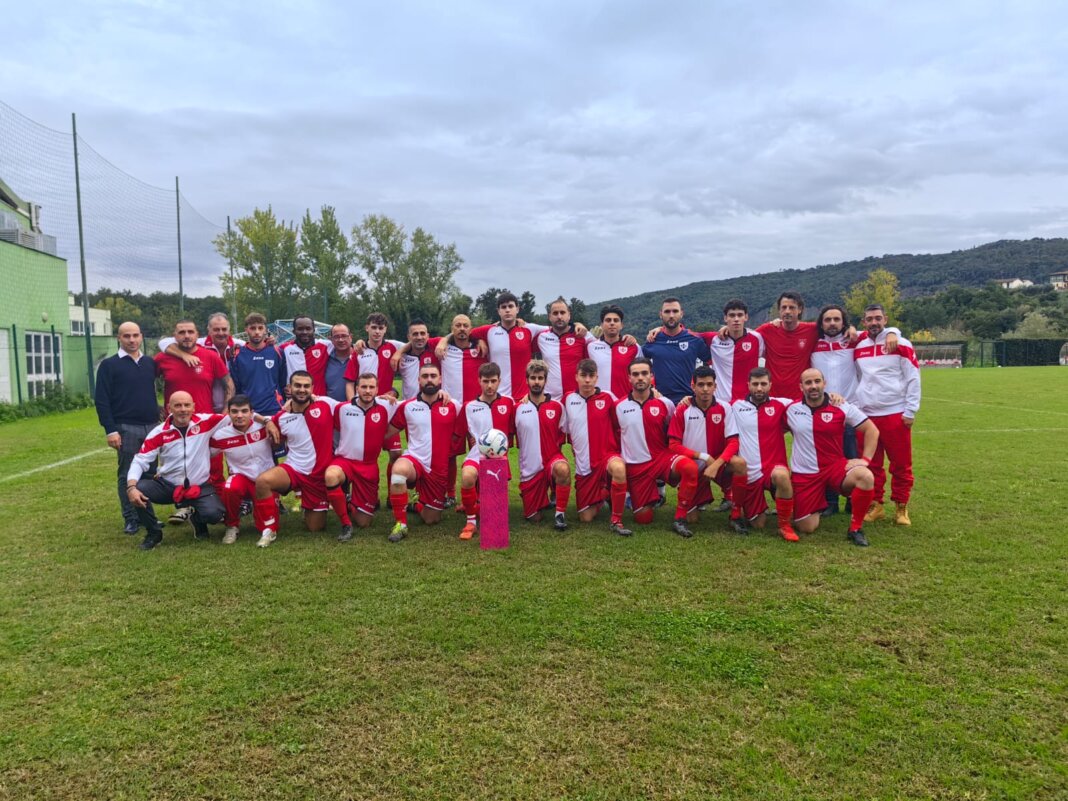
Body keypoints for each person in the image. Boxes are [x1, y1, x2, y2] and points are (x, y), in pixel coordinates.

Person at [785, 368, 880, 546]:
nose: (813, 386)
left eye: (817, 381)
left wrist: (865, 460)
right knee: (806, 527)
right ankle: (817, 505)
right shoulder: (790, 409)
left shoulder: (841, 406)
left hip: (835, 467)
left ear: (824, 384)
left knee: (865, 477)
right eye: (808, 383)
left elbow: (871, 430)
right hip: (805, 474)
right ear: (801, 387)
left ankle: (855, 528)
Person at [125, 391, 228, 550]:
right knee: (138, 490)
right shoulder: (159, 432)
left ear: (193, 407)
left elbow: (236, 415)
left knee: (215, 514)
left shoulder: (206, 422)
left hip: (199, 486)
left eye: (187, 405)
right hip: (168, 486)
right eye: (178, 405)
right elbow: (140, 460)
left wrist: (266, 421)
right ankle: (154, 533)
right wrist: (131, 486)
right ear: (169, 408)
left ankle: (197, 518)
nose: (183, 409)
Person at [614, 358, 704, 537]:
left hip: (661, 457)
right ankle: (649, 495)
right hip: (637, 466)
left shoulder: (665, 404)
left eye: (644, 373)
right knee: (644, 518)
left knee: (689, 467)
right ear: (629, 378)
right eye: (636, 374)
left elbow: (675, 428)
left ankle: (680, 518)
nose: (640, 378)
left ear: (651, 376)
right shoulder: (618, 406)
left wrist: (688, 399)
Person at [252, 371, 340, 548]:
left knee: (315, 527)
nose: (302, 389)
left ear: (312, 389)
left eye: (306, 386)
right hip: (293, 469)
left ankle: (310, 504)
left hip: (317, 476)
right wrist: (267, 421)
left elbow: (352, 407)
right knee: (263, 481)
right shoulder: (282, 417)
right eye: (297, 385)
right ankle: (269, 529)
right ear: (289, 388)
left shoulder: (326, 404)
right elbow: (249, 415)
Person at [854, 304, 921, 526]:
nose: (874, 322)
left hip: (895, 412)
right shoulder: (859, 345)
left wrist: (910, 410)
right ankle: (876, 504)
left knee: (901, 464)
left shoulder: (900, 343)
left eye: (878, 318)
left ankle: (902, 507)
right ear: (864, 322)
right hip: (867, 415)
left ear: (886, 319)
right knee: (872, 464)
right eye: (869, 319)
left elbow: (913, 376)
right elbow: (857, 378)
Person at [94, 321, 161, 535]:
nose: (131, 340)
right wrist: (110, 430)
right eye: (126, 336)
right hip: (126, 427)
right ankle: (130, 518)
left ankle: (147, 517)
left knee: (149, 474)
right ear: (118, 338)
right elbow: (102, 400)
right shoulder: (109, 365)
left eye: (135, 335)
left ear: (141, 336)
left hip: (152, 427)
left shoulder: (149, 363)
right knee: (127, 475)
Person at [384, 363, 462, 542]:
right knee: (398, 471)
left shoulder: (453, 406)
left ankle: (417, 504)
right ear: (418, 380)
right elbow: (388, 431)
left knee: (431, 519)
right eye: (425, 376)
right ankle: (400, 524)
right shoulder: (408, 406)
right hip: (415, 460)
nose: (429, 379)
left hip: (438, 469)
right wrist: (379, 403)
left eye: (433, 376)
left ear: (440, 379)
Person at [667, 366, 746, 526]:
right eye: (701, 385)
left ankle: (736, 515)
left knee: (739, 463)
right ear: (693, 386)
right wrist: (703, 457)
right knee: (692, 519)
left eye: (709, 385)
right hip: (693, 467)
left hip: (718, 463)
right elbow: (673, 445)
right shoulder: (683, 408)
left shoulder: (724, 408)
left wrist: (716, 464)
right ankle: (692, 504)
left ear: (715, 386)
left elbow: (733, 441)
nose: (705, 389)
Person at [325, 372, 396, 542]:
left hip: (369, 465)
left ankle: (349, 503)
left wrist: (441, 394)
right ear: (357, 389)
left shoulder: (387, 406)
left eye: (371, 387)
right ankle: (345, 523)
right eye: (363, 387)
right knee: (331, 476)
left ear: (377, 390)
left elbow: (414, 403)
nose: (367, 391)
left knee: (364, 522)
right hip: (345, 461)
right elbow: (316, 400)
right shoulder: (341, 408)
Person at [563, 359, 630, 535]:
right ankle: (604, 495)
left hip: (606, 456)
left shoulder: (607, 397)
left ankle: (616, 520)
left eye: (591, 376)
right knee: (586, 518)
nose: (587, 380)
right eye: (583, 375)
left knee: (619, 468)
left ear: (597, 378)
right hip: (584, 466)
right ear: (576, 376)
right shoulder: (568, 399)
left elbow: (625, 411)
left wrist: (653, 392)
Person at [729, 367, 797, 541]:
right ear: (748, 385)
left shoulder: (782, 404)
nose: (759, 388)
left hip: (773, 467)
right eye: (755, 384)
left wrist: (835, 398)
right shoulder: (735, 406)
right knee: (758, 524)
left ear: (770, 385)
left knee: (782, 476)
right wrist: (687, 399)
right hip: (750, 472)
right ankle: (748, 507)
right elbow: (712, 404)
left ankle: (784, 525)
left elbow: (809, 403)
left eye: (763, 384)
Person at [455, 362, 516, 540]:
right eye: (485, 381)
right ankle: (471, 522)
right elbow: (459, 431)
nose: (489, 386)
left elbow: (513, 429)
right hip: (476, 455)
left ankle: (477, 505)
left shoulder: (509, 403)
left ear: (499, 381)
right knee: (467, 476)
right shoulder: (469, 406)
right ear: (479, 381)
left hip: (498, 460)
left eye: (493, 381)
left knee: (493, 519)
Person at [347, 312, 406, 494]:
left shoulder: (393, 346)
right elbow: (350, 381)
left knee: (396, 454)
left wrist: (399, 353)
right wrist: (352, 403)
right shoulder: (359, 351)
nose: (377, 332)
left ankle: (392, 494)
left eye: (381, 328)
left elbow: (416, 343)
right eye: (373, 327)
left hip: (387, 409)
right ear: (367, 328)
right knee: (358, 455)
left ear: (385, 329)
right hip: (363, 409)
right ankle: (357, 494)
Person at [210, 394, 278, 544]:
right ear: (228, 413)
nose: (239, 415)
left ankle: (267, 527)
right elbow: (204, 455)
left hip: (265, 480)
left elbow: (287, 416)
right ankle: (232, 526)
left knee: (264, 524)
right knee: (229, 488)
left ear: (251, 412)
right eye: (234, 411)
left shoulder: (263, 426)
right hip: (241, 478)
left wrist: (268, 422)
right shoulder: (221, 436)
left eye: (244, 411)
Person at [514, 360, 570, 530]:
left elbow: (562, 434)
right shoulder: (517, 408)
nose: (536, 382)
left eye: (540, 378)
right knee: (534, 517)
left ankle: (560, 513)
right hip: (530, 469)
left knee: (562, 469)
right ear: (527, 380)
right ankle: (534, 495)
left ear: (546, 380)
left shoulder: (557, 406)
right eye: (533, 378)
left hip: (551, 460)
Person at [158, 312, 245, 412]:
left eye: (224, 329)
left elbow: (257, 346)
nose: (221, 333)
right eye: (216, 329)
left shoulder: (240, 345)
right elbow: (163, 342)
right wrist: (184, 355)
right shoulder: (198, 343)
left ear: (229, 330)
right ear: (209, 330)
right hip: (207, 406)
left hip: (229, 407)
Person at [468, 291, 548, 398]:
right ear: (498, 311)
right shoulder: (489, 331)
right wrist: (479, 340)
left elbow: (556, 329)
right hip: (497, 396)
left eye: (510, 306)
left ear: (517, 309)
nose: (507, 310)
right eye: (503, 307)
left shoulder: (529, 329)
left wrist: (575, 325)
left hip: (524, 397)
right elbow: (463, 333)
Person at [642, 297, 711, 403]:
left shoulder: (694, 339)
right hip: (660, 400)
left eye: (675, 311)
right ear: (661, 314)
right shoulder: (653, 340)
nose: (671, 315)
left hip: (688, 400)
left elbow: (713, 361)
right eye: (667, 312)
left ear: (681, 313)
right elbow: (638, 368)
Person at [533, 297, 591, 400]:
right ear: (549, 316)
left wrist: (627, 339)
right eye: (555, 313)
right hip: (550, 398)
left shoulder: (582, 335)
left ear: (569, 315)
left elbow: (606, 346)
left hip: (577, 397)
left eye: (562, 312)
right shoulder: (541, 337)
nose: (559, 317)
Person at [229, 312, 286, 415]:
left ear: (265, 330)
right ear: (246, 330)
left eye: (260, 328)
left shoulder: (277, 352)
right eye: (252, 328)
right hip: (249, 411)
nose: (257, 332)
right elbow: (236, 387)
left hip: (274, 408)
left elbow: (282, 382)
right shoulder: (237, 355)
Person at [587, 304, 643, 401]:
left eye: (616, 320)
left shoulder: (633, 347)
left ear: (621, 325)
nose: (612, 323)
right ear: (601, 324)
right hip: (599, 403)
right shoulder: (591, 347)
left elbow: (642, 374)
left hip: (626, 403)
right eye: (608, 320)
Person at [278, 315, 333, 395]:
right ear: (294, 331)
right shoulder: (284, 348)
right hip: (295, 399)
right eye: (300, 329)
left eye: (308, 328)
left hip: (318, 399)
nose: (304, 332)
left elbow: (346, 347)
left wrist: (357, 344)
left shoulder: (326, 345)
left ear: (314, 330)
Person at [395, 319, 440, 400]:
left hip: (433, 404)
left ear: (428, 336)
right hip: (409, 406)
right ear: (409, 337)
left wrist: (443, 344)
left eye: (422, 333)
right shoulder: (403, 355)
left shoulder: (436, 351)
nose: (419, 337)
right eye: (415, 334)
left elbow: (451, 336)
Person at [324, 323, 354, 402]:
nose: (341, 340)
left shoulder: (360, 358)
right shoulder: (325, 359)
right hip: (331, 410)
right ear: (331, 339)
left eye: (344, 336)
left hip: (355, 409)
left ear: (351, 337)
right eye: (336, 337)